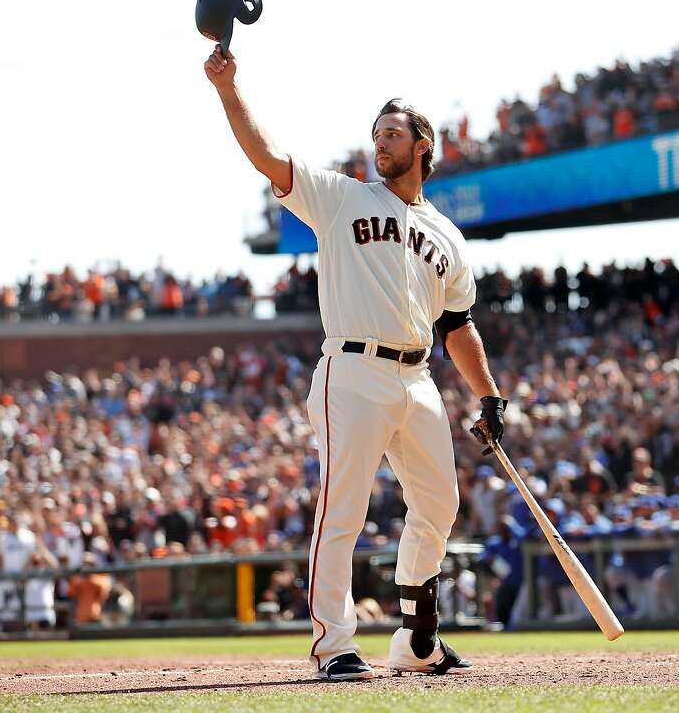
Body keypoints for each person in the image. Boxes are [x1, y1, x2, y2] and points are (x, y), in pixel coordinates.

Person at [205, 48, 503, 680]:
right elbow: (266, 157)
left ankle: (417, 640)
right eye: (376, 134)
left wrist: (489, 396)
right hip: (353, 368)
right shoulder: (340, 197)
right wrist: (230, 90)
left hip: (418, 377)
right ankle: (334, 644)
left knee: (440, 504)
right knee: (344, 508)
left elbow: (457, 325)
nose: (380, 142)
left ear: (425, 145)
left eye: (393, 133)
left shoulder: (448, 235)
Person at [68, 553, 114, 625]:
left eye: (89, 564)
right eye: (84, 563)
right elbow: (71, 593)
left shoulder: (100, 579)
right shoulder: (77, 580)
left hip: (96, 614)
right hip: (81, 615)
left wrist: (89, 578)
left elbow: (104, 594)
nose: (86, 566)